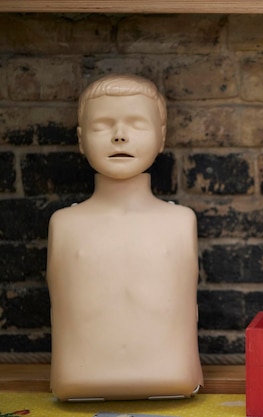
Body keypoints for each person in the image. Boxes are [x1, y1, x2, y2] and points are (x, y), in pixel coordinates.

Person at [47, 74, 203, 401]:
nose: (120, 137)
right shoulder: (63, 224)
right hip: (77, 381)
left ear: (161, 138)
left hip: (172, 378)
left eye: (136, 124)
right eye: (103, 125)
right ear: (80, 139)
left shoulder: (180, 221)